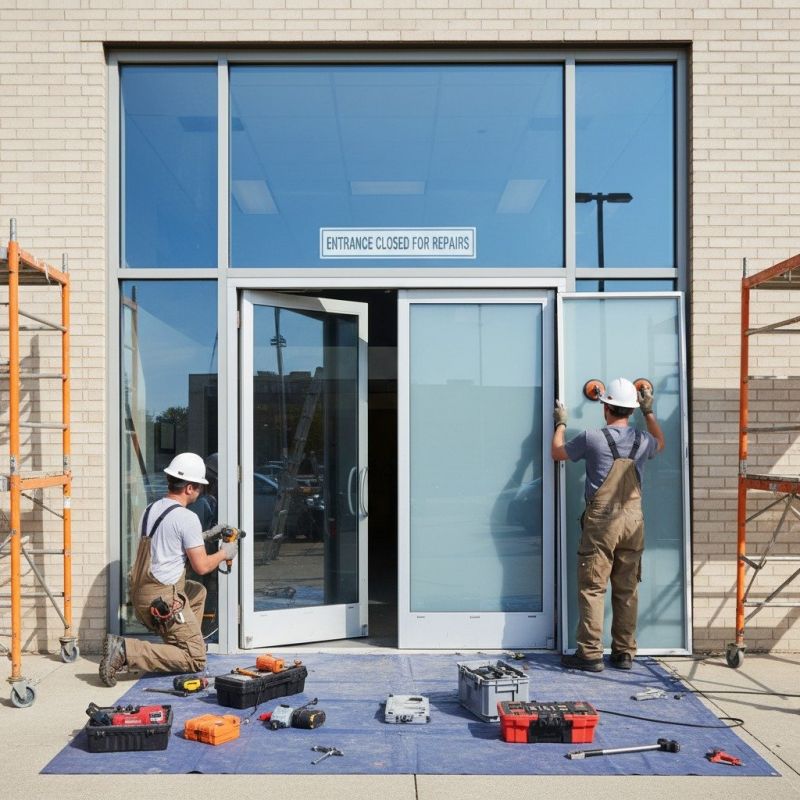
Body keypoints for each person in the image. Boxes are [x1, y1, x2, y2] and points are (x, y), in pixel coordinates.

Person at [551, 378, 665, 672]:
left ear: (605, 408)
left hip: (603, 521)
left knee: (593, 587)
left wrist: (561, 423)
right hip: (633, 519)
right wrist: (649, 411)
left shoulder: (592, 438)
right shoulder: (643, 441)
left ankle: (589, 654)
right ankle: (624, 652)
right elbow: (661, 443)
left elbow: (558, 453)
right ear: (631, 409)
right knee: (627, 588)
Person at [99, 452, 237, 686]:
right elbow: (202, 566)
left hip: (142, 594)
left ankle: (183, 640)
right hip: (162, 602)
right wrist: (225, 553)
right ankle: (126, 650)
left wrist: (206, 536)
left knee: (197, 592)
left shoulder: (151, 509)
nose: (202, 491)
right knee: (195, 660)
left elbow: (170, 542)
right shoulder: (187, 518)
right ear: (189, 488)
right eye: (200, 487)